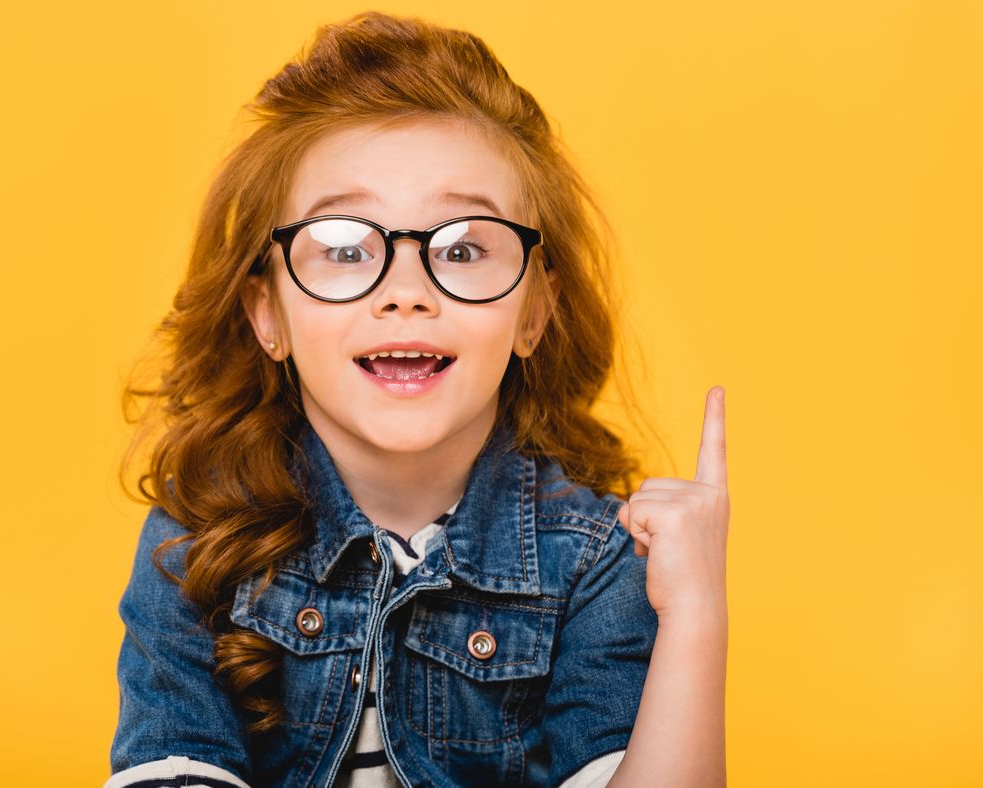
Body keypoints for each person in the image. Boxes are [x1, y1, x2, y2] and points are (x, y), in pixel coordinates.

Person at [106, 10, 729, 788]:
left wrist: (696, 616)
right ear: (269, 315)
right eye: (342, 247)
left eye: (463, 247)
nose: (406, 291)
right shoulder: (196, 542)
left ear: (533, 312)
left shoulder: (593, 562)